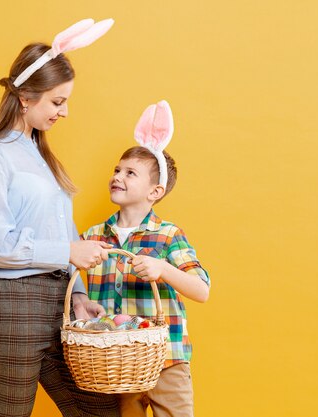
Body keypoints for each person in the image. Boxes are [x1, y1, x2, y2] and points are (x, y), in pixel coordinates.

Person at [0, 19, 120, 417]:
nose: (64, 112)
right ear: (26, 97)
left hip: (56, 302)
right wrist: (67, 251)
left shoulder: (43, 159)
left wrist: (78, 294)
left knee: (99, 410)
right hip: (6, 303)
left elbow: (60, 230)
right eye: (57, 101)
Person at [81, 101, 211, 417]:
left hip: (167, 358)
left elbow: (201, 290)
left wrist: (162, 268)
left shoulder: (168, 235)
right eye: (116, 170)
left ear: (155, 191)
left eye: (130, 173)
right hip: (116, 364)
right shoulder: (93, 235)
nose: (118, 176)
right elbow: (69, 282)